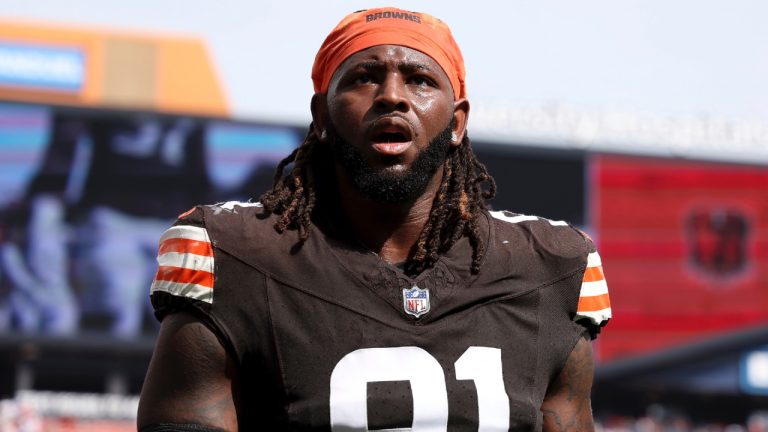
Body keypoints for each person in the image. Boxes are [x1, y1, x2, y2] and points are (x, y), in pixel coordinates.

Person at [138, 7, 612, 431]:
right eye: (364, 77)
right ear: (321, 116)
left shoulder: (550, 267)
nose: (392, 96)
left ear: (457, 123)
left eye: (420, 80)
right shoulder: (235, 253)